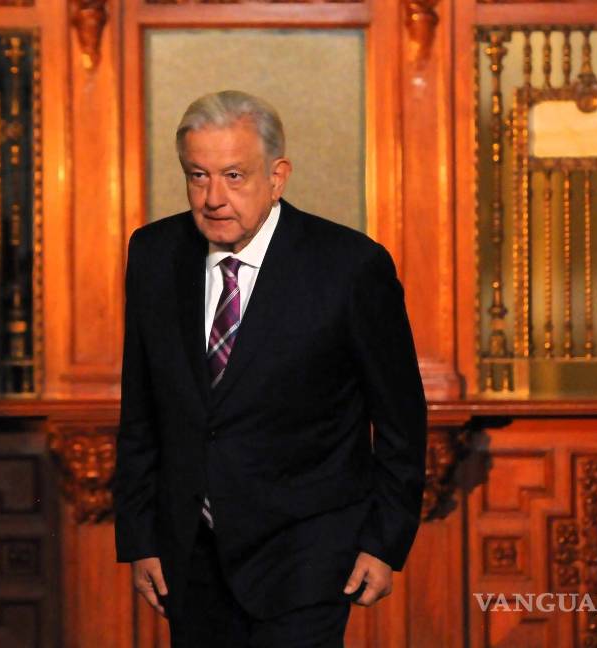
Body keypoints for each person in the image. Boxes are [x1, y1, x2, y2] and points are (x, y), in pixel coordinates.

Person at [113, 90, 427, 647]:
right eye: (198, 176)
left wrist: (384, 542)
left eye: (234, 176)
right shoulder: (154, 254)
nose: (213, 198)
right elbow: (141, 408)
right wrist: (140, 537)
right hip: (191, 558)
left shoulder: (350, 267)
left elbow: (401, 419)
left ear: (277, 177)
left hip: (306, 557)